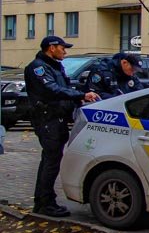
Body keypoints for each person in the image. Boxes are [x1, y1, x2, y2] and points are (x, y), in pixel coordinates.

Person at [25, 36, 100, 217]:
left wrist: (78, 98)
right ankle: (45, 203)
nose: (65, 51)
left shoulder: (54, 66)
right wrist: (81, 95)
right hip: (47, 119)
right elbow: (52, 90)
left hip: (56, 118)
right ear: (51, 48)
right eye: (62, 48)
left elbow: (64, 87)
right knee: (51, 161)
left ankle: (43, 201)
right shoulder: (38, 67)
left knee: (50, 160)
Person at [81, 52, 146, 100]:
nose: (133, 73)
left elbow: (139, 90)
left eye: (135, 71)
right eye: (132, 69)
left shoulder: (130, 75)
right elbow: (94, 93)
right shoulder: (102, 71)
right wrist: (117, 98)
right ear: (124, 62)